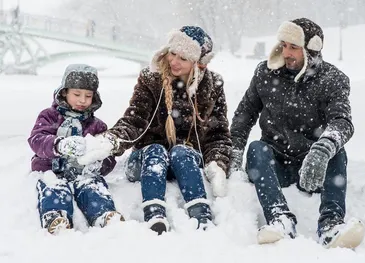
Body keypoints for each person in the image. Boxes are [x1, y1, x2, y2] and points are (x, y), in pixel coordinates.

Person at [78, 26, 232, 235]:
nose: (174, 62)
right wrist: (112, 140)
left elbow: (218, 133)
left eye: (183, 58)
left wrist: (217, 163)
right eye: (173, 53)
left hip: (184, 163)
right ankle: (154, 214)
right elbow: (134, 120)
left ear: (198, 64)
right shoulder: (151, 79)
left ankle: (201, 214)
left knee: (182, 151)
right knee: (156, 151)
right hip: (146, 160)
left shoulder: (213, 85)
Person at [229, 18, 365, 249]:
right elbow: (244, 115)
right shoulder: (265, 73)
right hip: (275, 164)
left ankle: (331, 224)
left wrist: (322, 149)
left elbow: (342, 121)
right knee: (256, 149)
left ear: (311, 50)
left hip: (314, 168)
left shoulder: (332, 80)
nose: (286, 52)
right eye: (283, 45)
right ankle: (280, 218)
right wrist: (233, 152)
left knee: (337, 151)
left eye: (294, 47)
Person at [28, 64, 124, 234]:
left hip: (83, 173)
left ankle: (103, 214)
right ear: (64, 92)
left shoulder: (97, 126)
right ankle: (56, 216)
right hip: (51, 170)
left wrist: (99, 164)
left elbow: (107, 155)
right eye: (77, 94)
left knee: (93, 186)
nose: (82, 100)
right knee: (54, 187)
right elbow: (37, 139)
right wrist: (59, 145)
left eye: (88, 96)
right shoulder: (49, 116)